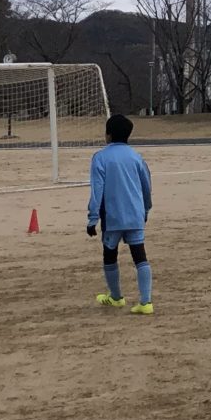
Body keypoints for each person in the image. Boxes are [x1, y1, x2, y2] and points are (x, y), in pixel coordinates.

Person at [87, 113, 156, 314]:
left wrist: (92, 218)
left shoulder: (100, 157)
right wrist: (146, 209)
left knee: (110, 254)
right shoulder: (136, 157)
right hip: (135, 214)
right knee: (140, 255)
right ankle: (146, 302)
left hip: (113, 217)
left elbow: (97, 190)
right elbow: (146, 186)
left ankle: (116, 297)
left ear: (108, 134)